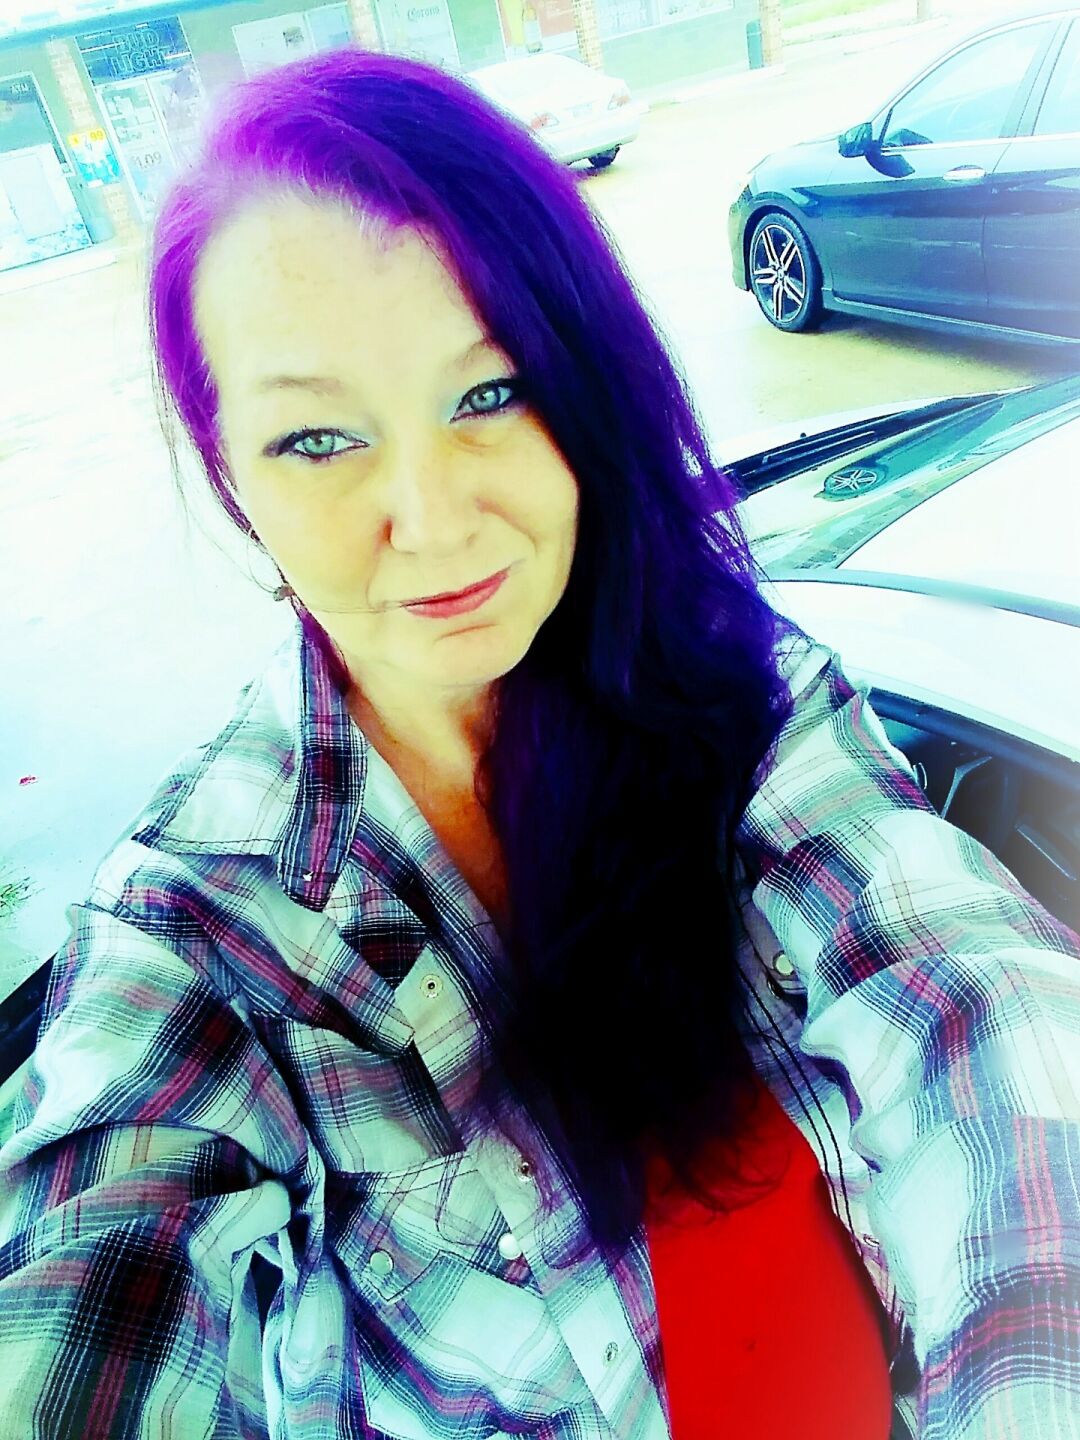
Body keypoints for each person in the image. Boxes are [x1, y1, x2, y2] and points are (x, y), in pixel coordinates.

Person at [0, 46, 1077, 1440]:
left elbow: (972, 1004)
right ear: (229, 476)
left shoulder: (736, 694)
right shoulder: (204, 932)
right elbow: (96, 1285)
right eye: (316, 440)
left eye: (489, 394)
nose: (435, 520)